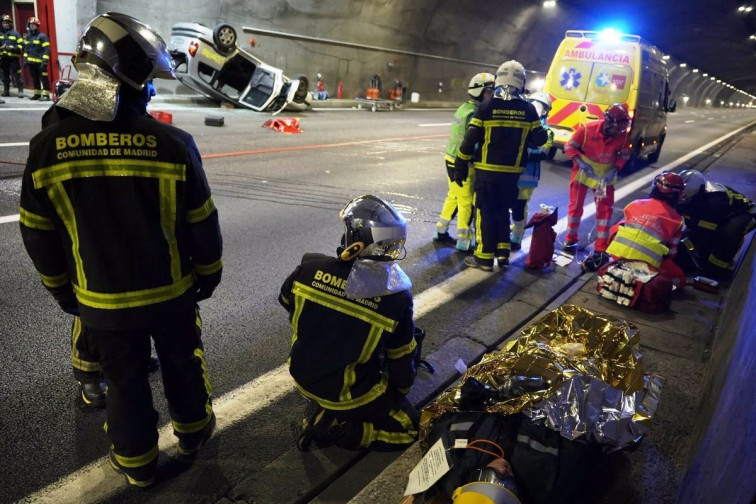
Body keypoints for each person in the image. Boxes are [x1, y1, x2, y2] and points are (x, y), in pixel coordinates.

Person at [19, 12, 223, 487]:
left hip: (102, 305)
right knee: (182, 366)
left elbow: (38, 234)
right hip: (172, 296)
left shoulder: (46, 148)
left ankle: (137, 467)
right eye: (149, 80)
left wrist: (63, 292)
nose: (152, 90)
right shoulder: (174, 144)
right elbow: (202, 223)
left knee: (126, 385)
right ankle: (194, 435)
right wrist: (208, 276)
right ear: (128, 76)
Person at [279, 194, 419, 451]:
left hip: (301, 375)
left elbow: (287, 302)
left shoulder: (307, 271)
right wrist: (400, 392)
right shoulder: (395, 299)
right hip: (349, 395)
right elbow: (401, 358)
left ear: (352, 240)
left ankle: (322, 406)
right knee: (410, 429)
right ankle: (340, 429)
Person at [454, 60, 548, 271]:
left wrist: (460, 164)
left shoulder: (487, 107)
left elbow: (470, 139)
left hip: (487, 173)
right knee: (502, 212)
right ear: (521, 82)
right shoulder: (528, 110)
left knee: (485, 213)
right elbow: (540, 138)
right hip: (512, 175)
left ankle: (483, 258)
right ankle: (503, 254)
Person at [563, 103, 631, 269]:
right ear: (608, 123)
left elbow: (624, 155)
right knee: (575, 208)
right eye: (617, 129)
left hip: (603, 179)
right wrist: (580, 162)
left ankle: (601, 247)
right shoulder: (586, 129)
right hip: (583, 174)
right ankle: (570, 241)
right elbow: (569, 146)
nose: (619, 133)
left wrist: (615, 168)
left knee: (604, 211)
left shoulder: (622, 136)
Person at [434, 72, 495, 251]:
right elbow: (473, 142)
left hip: (450, 159)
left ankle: (440, 231)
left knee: (454, 196)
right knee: (466, 201)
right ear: (480, 92)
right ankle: (463, 241)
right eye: (489, 92)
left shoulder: (463, 108)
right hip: (464, 162)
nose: (492, 96)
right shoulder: (475, 113)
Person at [600, 171, 686, 285]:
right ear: (677, 195)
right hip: (647, 267)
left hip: (617, 258)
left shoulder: (635, 203)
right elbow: (671, 254)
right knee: (680, 278)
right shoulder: (676, 220)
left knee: (619, 226)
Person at [676, 169, 756, 280]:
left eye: (684, 194)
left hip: (745, 213)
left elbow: (703, 236)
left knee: (728, 233)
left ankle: (717, 271)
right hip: (720, 215)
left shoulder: (714, 201)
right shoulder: (691, 196)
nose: (681, 196)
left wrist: (683, 246)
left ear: (696, 191)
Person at [510, 91, 554, 251]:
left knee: (519, 207)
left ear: (545, 111)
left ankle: (516, 238)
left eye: (540, 106)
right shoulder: (521, 123)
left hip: (528, 178)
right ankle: (509, 233)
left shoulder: (546, 131)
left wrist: (524, 151)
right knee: (508, 204)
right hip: (513, 172)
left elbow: (543, 152)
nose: (536, 109)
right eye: (533, 105)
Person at [22, 17, 50, 100]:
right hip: (31, 63)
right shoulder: (28, 37)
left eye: (34, 25)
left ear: (37, 26)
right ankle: (37, 94)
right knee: (35, 79)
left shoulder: (42, 36)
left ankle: (45, 95)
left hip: (40, 63)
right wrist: (25, 60)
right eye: (31, 25)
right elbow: (26, 49)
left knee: (43, 79)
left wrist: (44, 62)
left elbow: (46, 50)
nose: (32, 26)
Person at [1, 14, 24, 98]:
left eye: (7, 23)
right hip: (3, 58)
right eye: (4, 23)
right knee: (5, 76)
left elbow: (22, 45)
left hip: (14, 59)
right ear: (2, 24)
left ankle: (20, 91)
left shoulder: (15, 33)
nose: (6, 24)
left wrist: (13, 48)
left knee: (17, 75)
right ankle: (6, 91)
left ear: (10, 23)